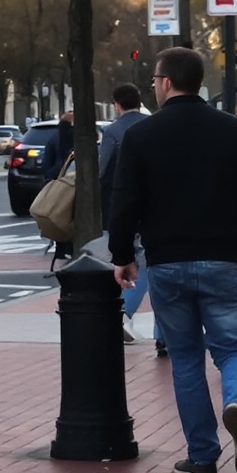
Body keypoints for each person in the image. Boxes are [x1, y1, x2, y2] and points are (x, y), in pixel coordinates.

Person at [106, 45, 237, 473]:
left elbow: (124, 203)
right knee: (236, 348)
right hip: (223, 259)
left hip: (166, 263)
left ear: (166, 82)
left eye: (154, 80)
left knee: (185, 359)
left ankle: (202, 457)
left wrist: (122, 256)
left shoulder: (141, 136)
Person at [97, 84, 151, 345]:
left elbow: (101, 169)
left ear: (117, 104)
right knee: (149, 260)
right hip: (153, 203)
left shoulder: (112, 131)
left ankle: (124, 311)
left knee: (133, 259)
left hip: (121, 203)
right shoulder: (152, 125)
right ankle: (162, 334)